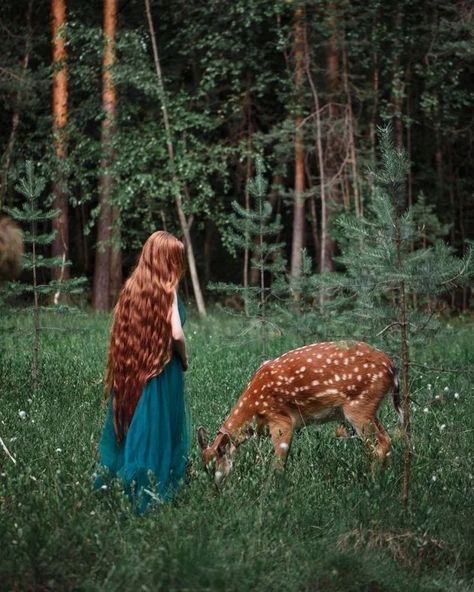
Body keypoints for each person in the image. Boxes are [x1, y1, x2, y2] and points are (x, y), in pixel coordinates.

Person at [94, 231, 190, 513]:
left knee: (137, 427)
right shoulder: (168, 289)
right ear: (166, 259)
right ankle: (151, 492)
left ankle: (125, 489)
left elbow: (123, 332)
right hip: (163, 373)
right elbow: (176, 333)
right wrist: (184, 360)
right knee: (160, 432)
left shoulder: (132, 288)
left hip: (134, 370)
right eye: (176, 258)